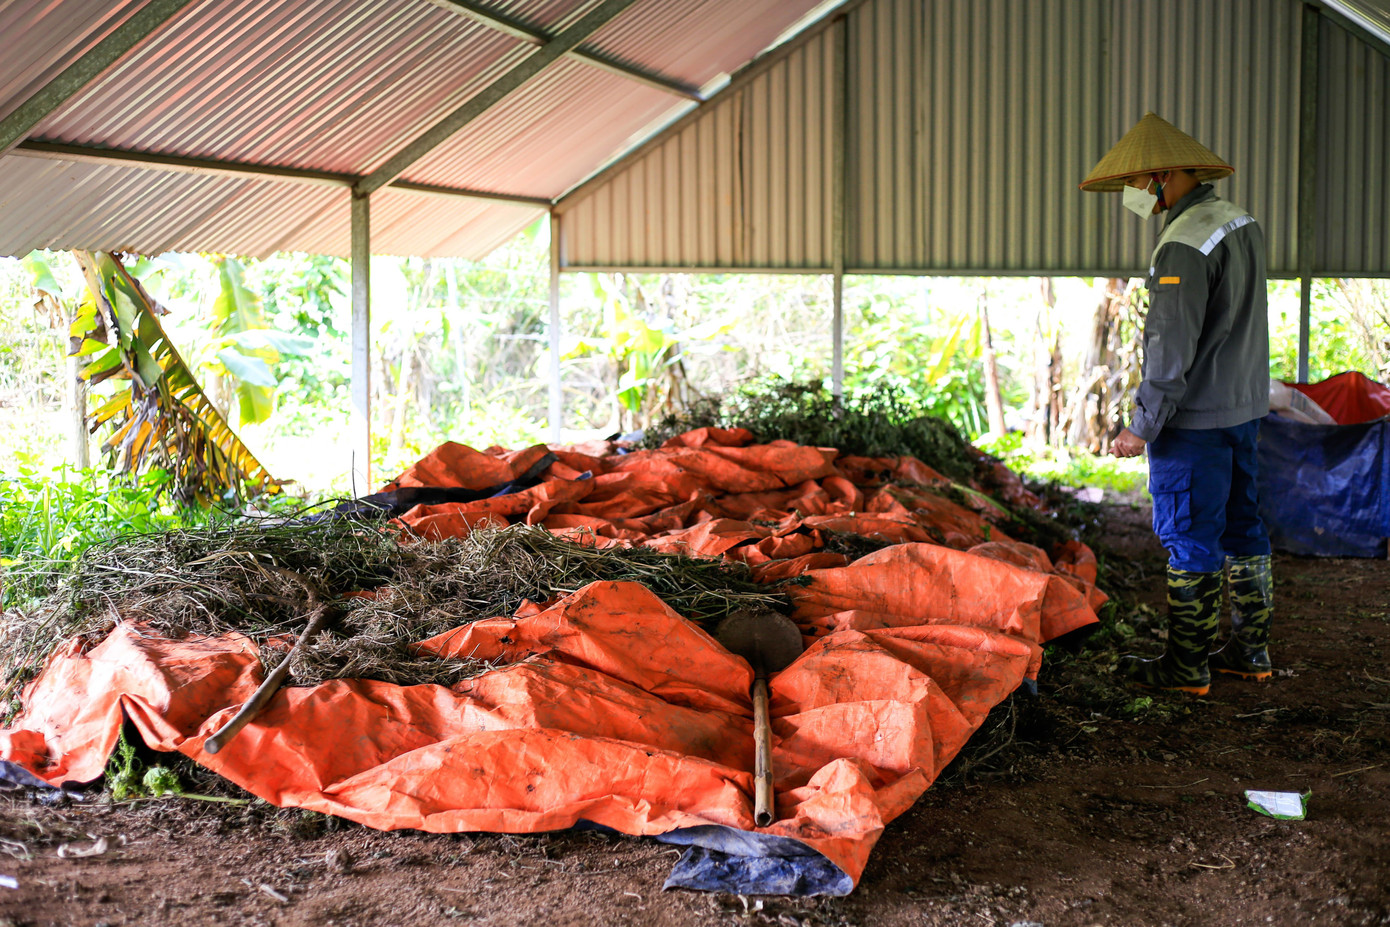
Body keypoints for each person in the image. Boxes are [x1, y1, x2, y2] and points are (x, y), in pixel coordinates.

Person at [1079, 112, 1274, 696]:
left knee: (1190, 535)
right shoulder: (1240, 222)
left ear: (1163, 175)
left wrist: (1142, 426)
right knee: (1245, 528)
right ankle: (1251, 649)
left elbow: (1170, 343)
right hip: (1243, 410)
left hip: (1194, 422)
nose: (1137, 197)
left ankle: (1187, 666)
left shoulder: (1184, 243)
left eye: (1139, 184)